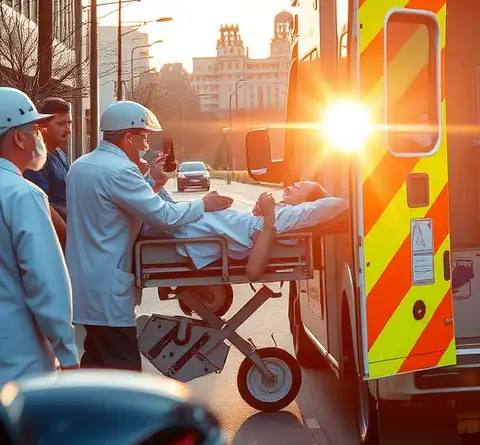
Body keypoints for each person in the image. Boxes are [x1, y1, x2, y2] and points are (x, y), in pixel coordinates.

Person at [65, 100, 234, 372]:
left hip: (86, 282)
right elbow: (164, 217)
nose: (146, 146)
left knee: (96, 366)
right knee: (124, 371)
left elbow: (118, 209)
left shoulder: (82, 165)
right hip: (109, 287)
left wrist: (154, 182)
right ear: (129, 137)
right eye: (143, 138)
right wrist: (204, 204)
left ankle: (89, 414)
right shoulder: (120, 170)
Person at [0, 88, 78, 383]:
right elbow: (46, 283)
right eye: (34, 130)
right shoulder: (23, 194)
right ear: (18, 138)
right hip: (18, 359)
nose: (39, 138)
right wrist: (68, 355)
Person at [141, 180, 348, 279]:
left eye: (301, 186)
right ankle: (154, 184)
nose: (293, 185)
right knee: (153, 200)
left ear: (306, 201)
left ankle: (151, 183)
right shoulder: (274, 216)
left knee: (149, 203)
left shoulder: (290, 216)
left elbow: (328, 206)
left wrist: (267, 216)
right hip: (188, 223)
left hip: (185, 228)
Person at [24, 96, 72, 247]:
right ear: (42, 126)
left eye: (69, 123)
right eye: (61, 124)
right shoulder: (37, 161)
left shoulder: (61, 155)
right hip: (53, 240)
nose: (68, 130)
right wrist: (67, 235)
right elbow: (41, 203)